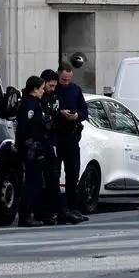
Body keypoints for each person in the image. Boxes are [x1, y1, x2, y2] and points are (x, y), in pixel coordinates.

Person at [16, 75, 83, 227]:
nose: (43, 91)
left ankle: (55, 212)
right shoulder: (30, 104)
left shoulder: (38, 102)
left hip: (42, 147)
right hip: (34, 148)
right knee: (33, 183)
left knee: (43, 182)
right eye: (41, 89)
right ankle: (25, 216)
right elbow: (27, 128)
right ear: (35, 89)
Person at [54, 63, 91, 223]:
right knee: (54, 173)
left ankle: (73, 207)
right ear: (58, 75)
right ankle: (58, 209)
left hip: (72, 135)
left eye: (69, 79)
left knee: (73, 173)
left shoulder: (75, 90)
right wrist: (59, 113)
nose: (66, 82)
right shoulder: (53, 89)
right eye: (63, 79)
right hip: (57, 135)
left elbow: (84, 111)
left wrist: (77, 116)